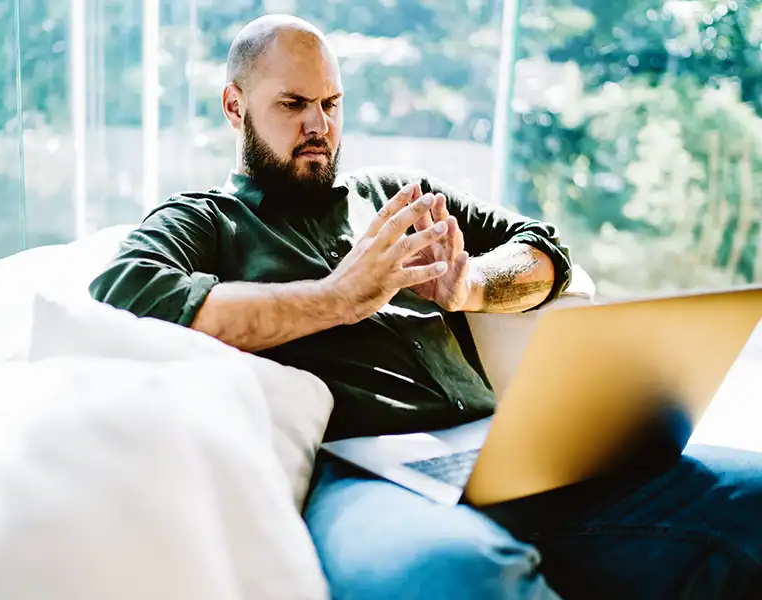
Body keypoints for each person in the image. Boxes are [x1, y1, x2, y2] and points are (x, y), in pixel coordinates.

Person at [90, 14, 762, 600]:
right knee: (457, 575)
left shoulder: (394, 196)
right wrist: (338, 298)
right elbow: (128, 289)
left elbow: (545, 250)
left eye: (331, 103)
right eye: (293, 104)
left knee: (749, 495)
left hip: (502, 454)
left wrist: (472, 286)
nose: (319, 125)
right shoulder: (209, 221)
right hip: (364, 477)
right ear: (235, 108)